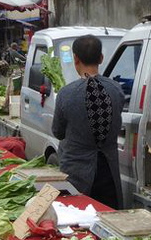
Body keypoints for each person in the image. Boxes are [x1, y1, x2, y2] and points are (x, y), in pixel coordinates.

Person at [52, 35, 124, 209]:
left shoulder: (66, 94)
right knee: (107, 217)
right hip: (108, 171)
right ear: (101, 58)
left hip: (76, 173)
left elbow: (58, 132)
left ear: (75, 58)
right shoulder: (116, 90)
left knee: (77, 223)